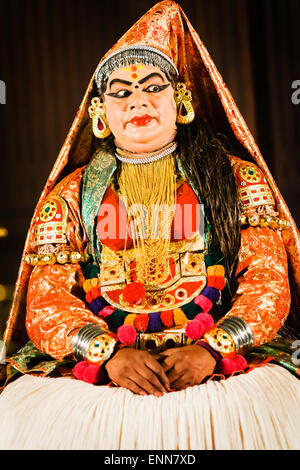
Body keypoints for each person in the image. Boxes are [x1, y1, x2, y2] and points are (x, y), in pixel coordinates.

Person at [0, 0, 300, 450]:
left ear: (180, 101)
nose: (137, 100)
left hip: (224, 361)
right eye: (121, 92)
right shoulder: (71, 197)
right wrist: (109, 354)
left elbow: (268, 284)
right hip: (105, 369)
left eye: (153, 88)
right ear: (101, 113)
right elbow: (46, 303)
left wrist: (212, 350)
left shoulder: (238, 179)